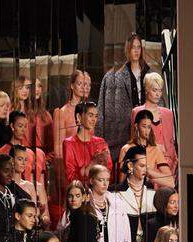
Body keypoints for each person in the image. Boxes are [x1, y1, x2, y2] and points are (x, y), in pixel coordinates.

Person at [96, 32, 150, 181]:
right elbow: (103, 111)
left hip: (144, 129)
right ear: (127, 50)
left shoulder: (148, 73)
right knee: (122, 173)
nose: (136, 50)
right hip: (121, 134)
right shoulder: (115, 77)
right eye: (133, 47)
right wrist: (101, 141)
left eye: (139, 47)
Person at [51, 70, 93, 222]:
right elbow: (58, 150)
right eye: (81, 84)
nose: (85, 87)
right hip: (70, 171)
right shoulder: (61, 112)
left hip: (89, 170)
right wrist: (65, 179)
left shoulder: (91, 113)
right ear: (72, 86)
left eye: (88, 84)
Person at [87, 164, 132, 242]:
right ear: (92, 180)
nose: (105, 184)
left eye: (107, 180)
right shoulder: (84, 204)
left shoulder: (117, 204)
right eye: (100, 180)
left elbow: (126, 233)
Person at [131, 72, 177, 175]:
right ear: (146, 90)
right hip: (146, 162)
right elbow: (134, 140)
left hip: (166, 164)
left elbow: (171, 143)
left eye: (160, 90)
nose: (158, 94)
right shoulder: (137, 112)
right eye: (154, 90)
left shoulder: (168, 114)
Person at [119, 111, 173, 189]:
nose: (147, 130)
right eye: (144, 126)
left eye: (149, 127)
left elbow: (170, 181)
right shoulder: (126, 149)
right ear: (136, 126)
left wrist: (149, 172)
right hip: (129, 191)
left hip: (148, 190)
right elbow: (121, 180)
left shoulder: (155, 149)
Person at [63, 101, 112, 186]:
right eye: (90, 115)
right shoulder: (69, 143)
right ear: (79, 117)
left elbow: (108, 171)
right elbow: (71, 177)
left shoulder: (101, 142)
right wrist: (93, 163)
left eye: (96, 116)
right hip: (80, 193)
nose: (94, 119)